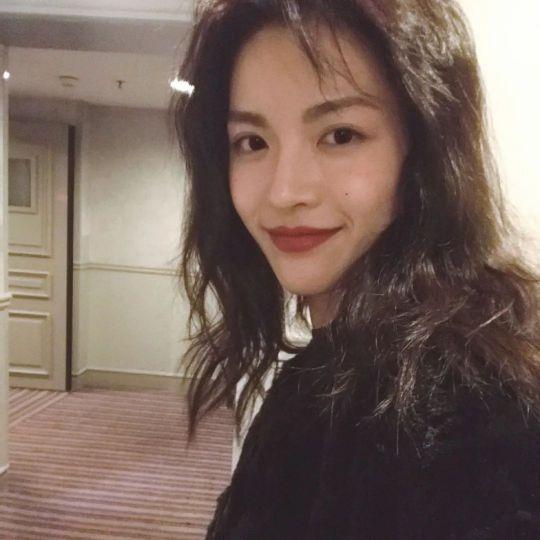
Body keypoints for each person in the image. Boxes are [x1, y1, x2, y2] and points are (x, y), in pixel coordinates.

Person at [174, 0, 540, 538]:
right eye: (252, 143)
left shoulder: (464, 418)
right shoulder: (332, 371)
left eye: (340, 135)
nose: (285, 191)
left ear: (424, 151)